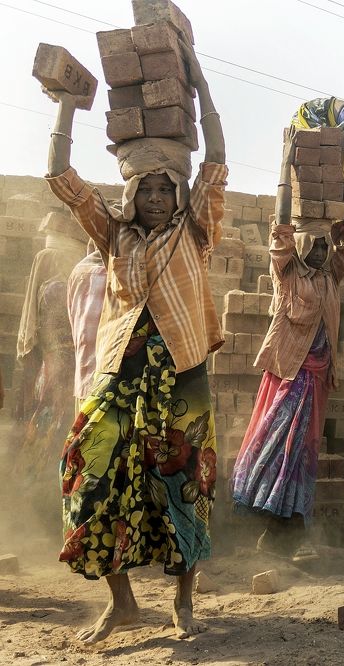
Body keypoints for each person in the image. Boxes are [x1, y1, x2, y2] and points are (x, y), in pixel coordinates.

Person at [45, 42, 225, 643]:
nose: (154, 198)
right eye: (145, 189)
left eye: (163, 189)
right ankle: (123, 601)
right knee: (88, 471)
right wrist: (68, 108)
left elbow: (217, 160)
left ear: (178, 193)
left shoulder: (195, 229)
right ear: (131, 195)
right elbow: (60, 180)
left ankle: (184, 597)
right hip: (121, 377)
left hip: (182, 377)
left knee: (184, 488)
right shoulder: (114, 236)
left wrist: (198, 83)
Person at [231, 129, 344, 559]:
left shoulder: (330, 277)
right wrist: (287, 164)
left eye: (326, 241)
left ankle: (285, 530)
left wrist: (341, 173)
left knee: (302, 452)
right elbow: (281, 226)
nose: (322, 246)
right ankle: (268, 520)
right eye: (315, 240)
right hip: (290, 374)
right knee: (278, 447)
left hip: (317, 380)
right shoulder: (287, 275)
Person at [14, 213, 86, 482]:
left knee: (49, 422)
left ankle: (33, 482)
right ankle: (36, 484)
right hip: (60, 367)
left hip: (59, 366)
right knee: (51, 422)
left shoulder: (61, 283)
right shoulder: (58, 286)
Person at [67, 240, 108, 408]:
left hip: (83, 375)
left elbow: (72, 317)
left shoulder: (77, 271)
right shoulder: (114, 274)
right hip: (109, 380)